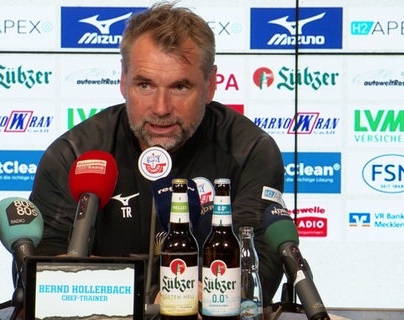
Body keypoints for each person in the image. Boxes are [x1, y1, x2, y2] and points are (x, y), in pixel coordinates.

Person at [29, 2, 285, 310]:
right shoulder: (75, 155)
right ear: (123, 80)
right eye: (145, 85)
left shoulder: (251, 152)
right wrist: (154, 299)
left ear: (210, 85)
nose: (161, 108)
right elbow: (40, 276)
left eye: (180, 86)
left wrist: (110, 285)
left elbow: (256, 273)